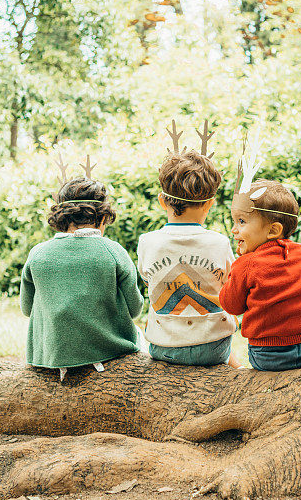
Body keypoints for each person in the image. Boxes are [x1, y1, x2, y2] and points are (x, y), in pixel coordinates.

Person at [21, 174, 144, 381]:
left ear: (61, 217)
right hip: (107, 353)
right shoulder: (113, 251)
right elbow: (135, 309)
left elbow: (26, 309)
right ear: (103, 217)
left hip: (48, 356)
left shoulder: (37, 253)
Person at [219, 179, 301, 371]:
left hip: (269, 355)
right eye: (234, 221)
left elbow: (231, 305)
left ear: (273, 230)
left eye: (241, 221)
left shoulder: (245, 264)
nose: (234, 229)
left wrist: (233, 274)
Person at [137, 149, 241, 367]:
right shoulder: (219, 242)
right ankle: (237, 367)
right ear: (209, 204)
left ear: (162, 201)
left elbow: (148, 280)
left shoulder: (147, 242)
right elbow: (230, 284)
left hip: (163, 348)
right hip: (214, 348)